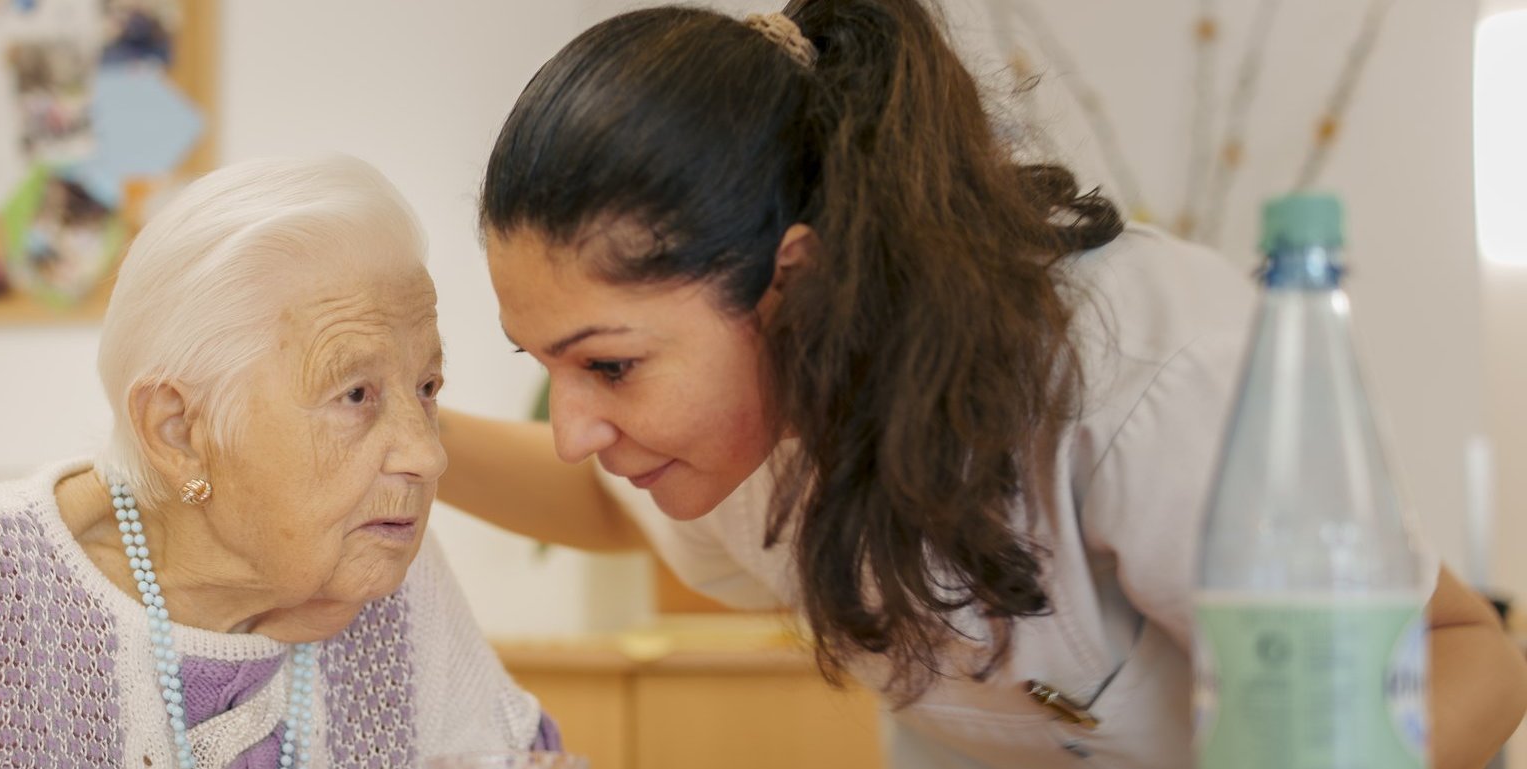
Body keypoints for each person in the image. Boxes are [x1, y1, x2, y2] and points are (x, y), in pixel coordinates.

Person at [435, 3, 1527, 767]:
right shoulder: (739, 429)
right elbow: (604, 503)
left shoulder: (1133, 376)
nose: (577, 427)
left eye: (609, 365)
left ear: (797, 284)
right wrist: (395, 432)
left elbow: (1468, 654)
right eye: (549, 369)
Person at [0, 155, 559, 768]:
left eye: (427, 385)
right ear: (177, 430)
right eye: (355, 395)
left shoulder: (388, 575)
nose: (425, 452)